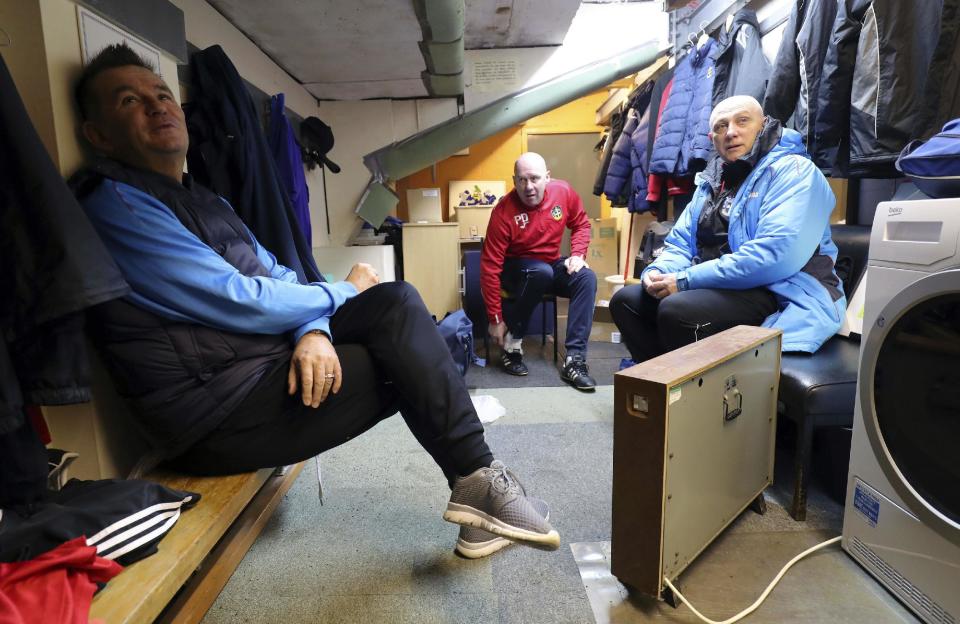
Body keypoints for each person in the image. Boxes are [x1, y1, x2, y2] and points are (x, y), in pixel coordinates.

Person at [71, 44, 559, 558]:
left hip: (255, 367)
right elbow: (241, 299)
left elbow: (278, 274)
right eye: (130, 100)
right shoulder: (114, 204)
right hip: (213, 414)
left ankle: (476, 484)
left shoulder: (204, 198)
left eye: (162, 94)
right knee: (412, 355)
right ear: (98, 136)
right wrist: (345, 291)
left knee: (396, 306)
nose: (157, 107)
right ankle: (478, 487)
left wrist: (313, 330)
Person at [610, 96, 845, 362]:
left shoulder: (795, 172)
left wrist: (686, 280)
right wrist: (658, 273)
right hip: (720, 286)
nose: (731, 132)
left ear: (764, 124)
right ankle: (661, 388)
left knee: (677, 310)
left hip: (780, 289)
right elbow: (681, 244)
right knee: (627, 301)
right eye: (721, 126)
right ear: (713, 139)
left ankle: (693, 396)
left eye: (742, 121)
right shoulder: (710, 183)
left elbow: (775, 256)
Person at [480, 153, 598, 391]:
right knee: (541, 272)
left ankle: (574, 360)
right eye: (522, 180)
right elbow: (490, 267)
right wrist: (495, 319)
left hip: (549, 264)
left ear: (547, 177)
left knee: (586, 277)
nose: (528, 187)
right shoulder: (503, 211)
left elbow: (581, 224)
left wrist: (577, 254)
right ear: (514, 181)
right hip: (515, 269)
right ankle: (512, 345)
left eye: (534, 178)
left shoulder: (563, 192)